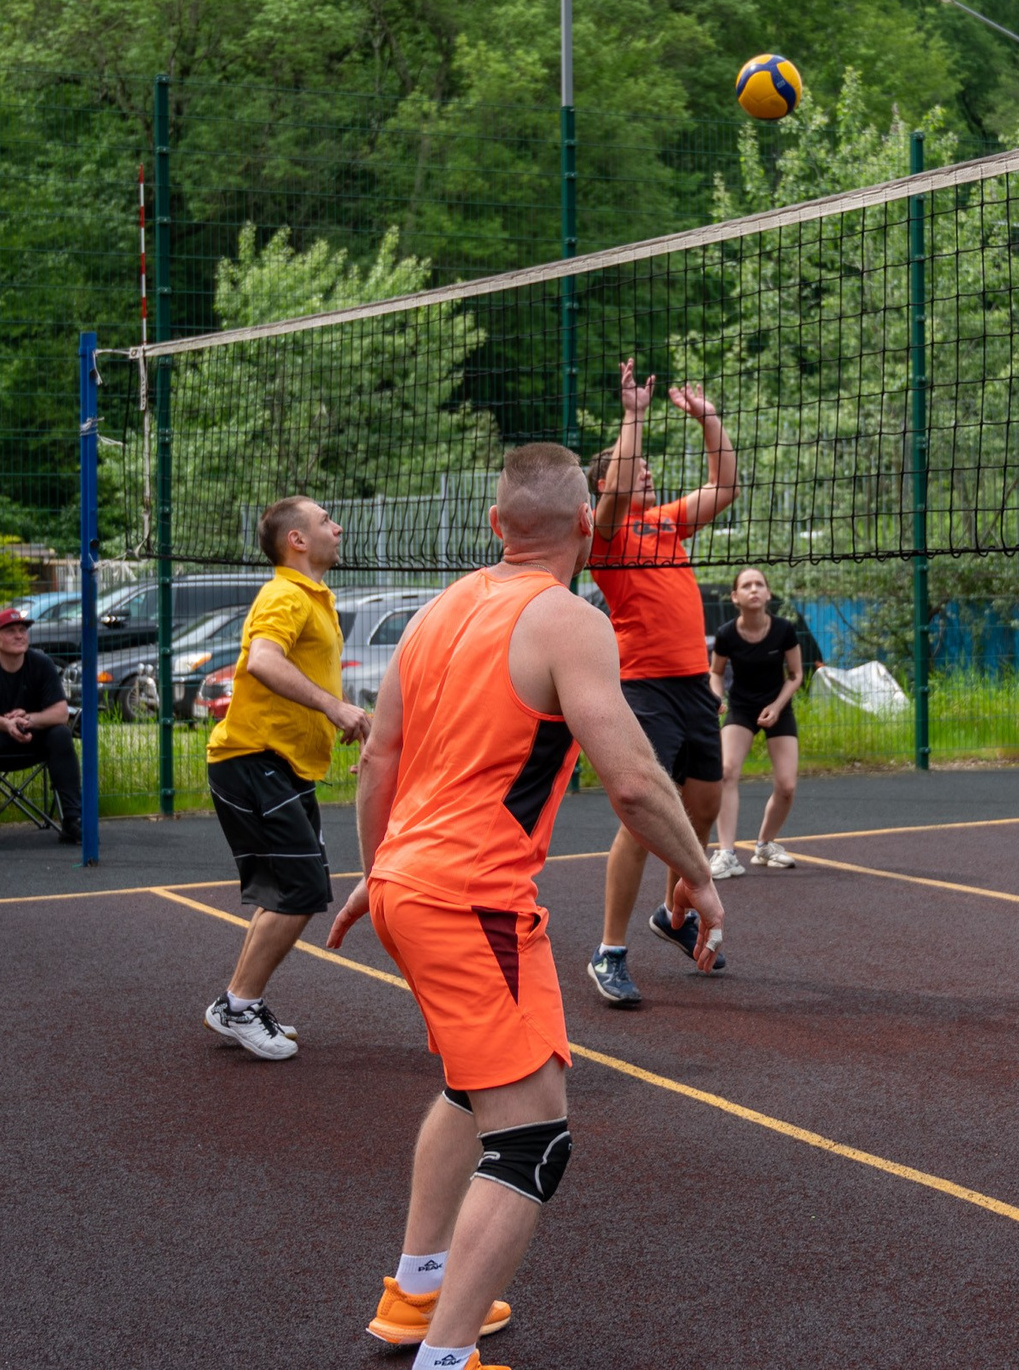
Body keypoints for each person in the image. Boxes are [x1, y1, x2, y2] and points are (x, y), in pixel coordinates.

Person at [328, 442, 723, 1369]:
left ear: (495, 526)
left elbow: (377, 761)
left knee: (475, 1086)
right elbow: (631, 781)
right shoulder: (568, 618)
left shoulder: (435, 611)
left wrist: (376, 871)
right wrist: (700, 873)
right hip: (473, 898)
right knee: (535, 1140)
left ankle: (415, 1295)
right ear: (589, 526)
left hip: (412, 885)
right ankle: (448, 1355)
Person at [582, 357, 738, 1008]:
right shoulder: (606, 534)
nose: (646, 469)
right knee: (643, 817)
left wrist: (708, 420)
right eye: (634, 464)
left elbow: (725, 484)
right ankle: (609, 951)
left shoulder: (668, 522)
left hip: (693, 686)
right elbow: (617, 487)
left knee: (701, 806)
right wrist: (635, 416)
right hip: (643, 688)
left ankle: (673, 915)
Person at [200, 498, 370, 1062]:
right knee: (301, 891)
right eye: (326, 520)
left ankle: (236, 1003)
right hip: (253, 761)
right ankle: (240, 1005)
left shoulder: (314, 599)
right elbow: (262, 662)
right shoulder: (285, 594)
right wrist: (335, 708)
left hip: (283, 766)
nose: (337, 527)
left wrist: (336, 716)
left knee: (290, 889)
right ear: (297, 539)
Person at [0, 607, 82, 854]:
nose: (19, 635)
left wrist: (30, 719)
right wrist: (6, 724)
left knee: (61, 734)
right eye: (11, 631)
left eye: (23, 630)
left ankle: (73, 821)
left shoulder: (41, 663)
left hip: (30, 736)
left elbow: (60, 712)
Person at [708, 567, 804, 875]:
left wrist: (777, 707)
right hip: (741, 708)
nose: (754, 589)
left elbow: (796, 675)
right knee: (726, 772)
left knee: (787, 786)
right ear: (735, 596)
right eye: (746, 585)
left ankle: (764, 846)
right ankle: (726, 854)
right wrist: (717, 698)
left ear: (768, 594)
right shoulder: (726, 634)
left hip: (778, 708)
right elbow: (716, 672)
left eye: (759, 584)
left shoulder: (784, 630)